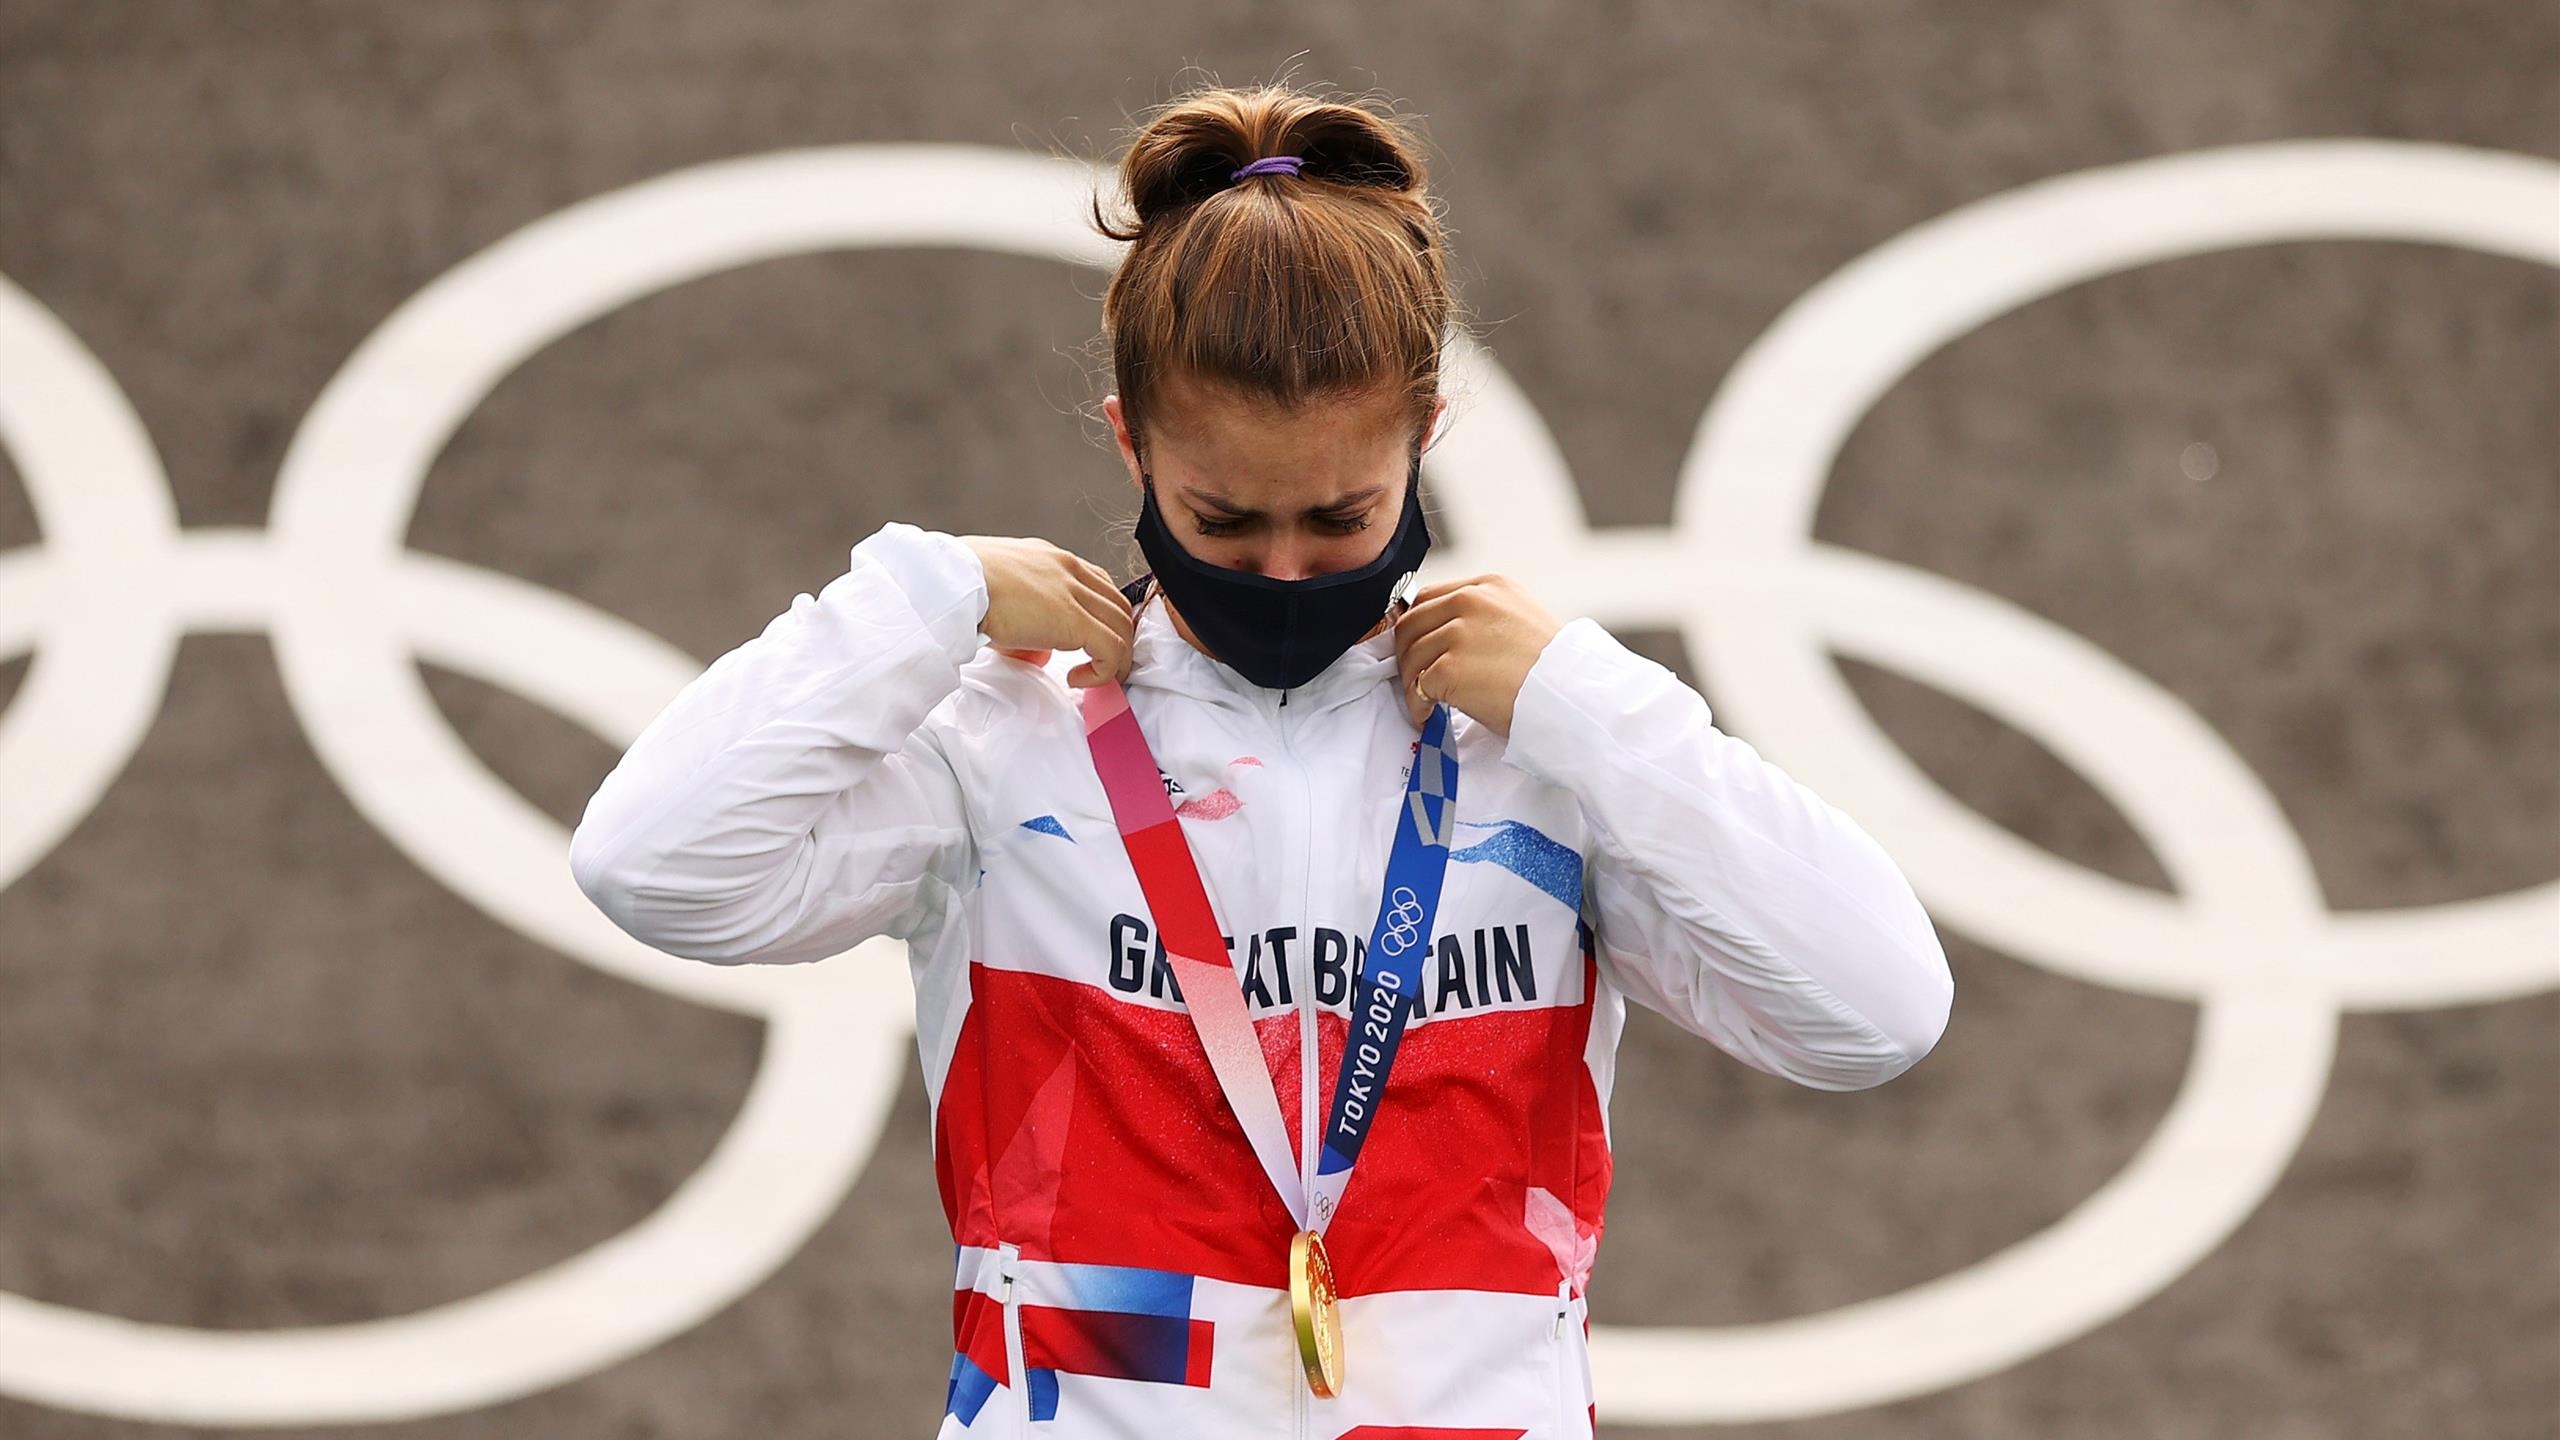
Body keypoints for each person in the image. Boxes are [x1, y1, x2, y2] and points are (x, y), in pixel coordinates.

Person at [569, 81, 1952, 1440]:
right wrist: (917, 604)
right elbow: (651, 868)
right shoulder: (1005, 745)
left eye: (1343, 518)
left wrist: (1603, 709)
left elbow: (1878, 1013)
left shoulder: (1541, 758)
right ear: (1132, 449)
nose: (1284, 568)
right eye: (1223, 522)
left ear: (1426, 441)